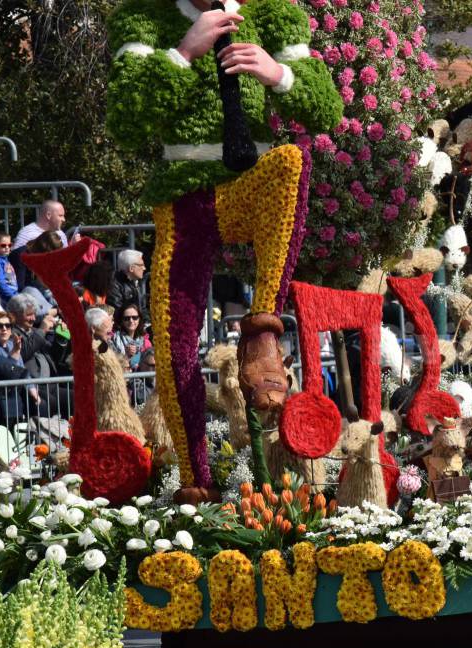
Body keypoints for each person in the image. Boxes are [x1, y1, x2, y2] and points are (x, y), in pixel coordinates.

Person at [106, 0, 342, 497]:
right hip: (184, 200)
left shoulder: (274, 12)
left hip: (247, 188)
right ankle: (196, 484)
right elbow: (126, 122)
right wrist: (183, 51)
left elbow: (326, 108)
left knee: (291, 162)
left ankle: (261, 332)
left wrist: (278, 74)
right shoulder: (142, 16)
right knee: (174, 344)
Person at [106, 250, 147, 317]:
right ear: (131, 268)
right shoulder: (114, 285)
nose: (144, 268)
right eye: (141, 265)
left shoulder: (133, 282)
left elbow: (141, 309)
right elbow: (118, 313)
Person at [111, 304, 152, 369]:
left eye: (135, 318)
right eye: (126, 318)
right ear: (121, 321)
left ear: (139, 319)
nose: (131, 321)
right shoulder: (113, 340)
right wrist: (126, 356)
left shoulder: (146, 342)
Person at [0, 232, 18, 302]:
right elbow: (0, 282)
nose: (7, 247)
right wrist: (12, 296)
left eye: (10, 245)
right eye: (3, 245)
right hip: (6, 298)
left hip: (14, 294)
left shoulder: (5, 259)